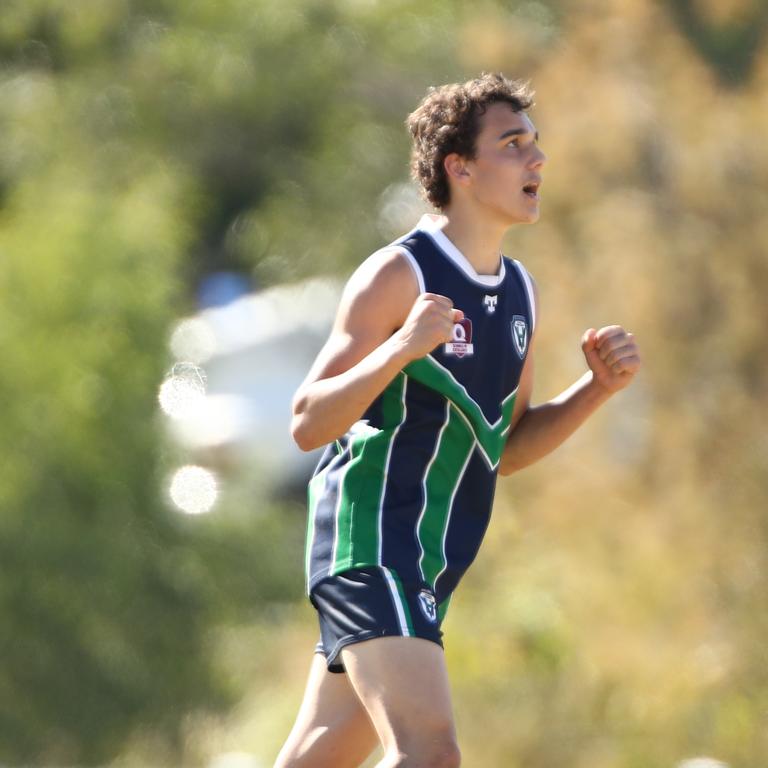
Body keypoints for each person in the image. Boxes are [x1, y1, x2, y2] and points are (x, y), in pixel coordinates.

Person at [274, 73, 641, 768]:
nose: (537, 160)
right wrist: (402, 347)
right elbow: (306, 422)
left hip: (430, 563)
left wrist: (596, 390)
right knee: (431, 753)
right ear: (460, 168)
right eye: (513, 145)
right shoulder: (400, 275)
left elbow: (504, 448)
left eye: (535, 144)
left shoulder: (521, 293)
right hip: (372, 541)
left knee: (315, 760)